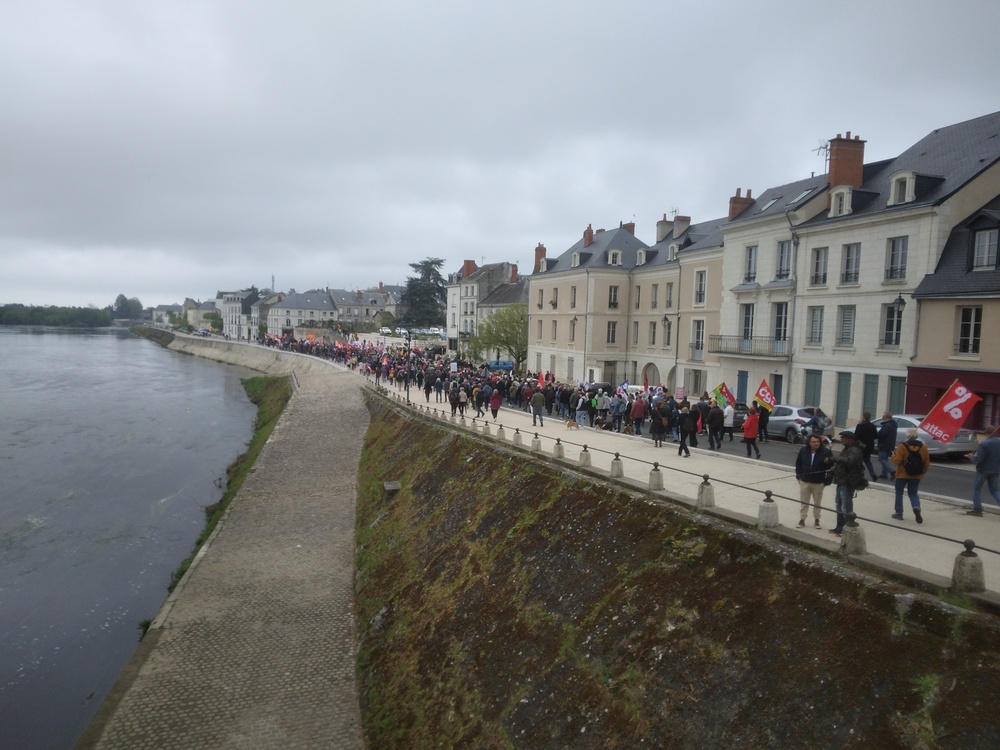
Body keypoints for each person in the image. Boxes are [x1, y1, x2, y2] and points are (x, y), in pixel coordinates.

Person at [830, 430, 866, 536]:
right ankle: (839, 527)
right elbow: (843, 462)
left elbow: (849, 461)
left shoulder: (855, 450)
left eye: (843, 438)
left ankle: (847, 529)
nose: (841, 440)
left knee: (846, 507)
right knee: (839, 505)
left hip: (848, 482)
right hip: (841, 481)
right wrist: (835, 467)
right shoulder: (846, 449)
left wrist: (834, 459)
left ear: (850, 439)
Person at [891, 428, 930, 524]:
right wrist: (923, 472)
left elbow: (898, 461)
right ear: (917, 436)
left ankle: (899, 513)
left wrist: (893, 456)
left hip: (902, 474)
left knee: (899, 492)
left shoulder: (902, 446)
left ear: (907, 436)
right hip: (916, 475)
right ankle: (916, 507)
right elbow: (926, 462)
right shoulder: (923, 447)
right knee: (913, 493)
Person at [795, 434, 833, 528]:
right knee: (804, 502)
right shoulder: (803, 450)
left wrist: (827, 481)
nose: (816, 443)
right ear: (809, 443)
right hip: (805, 481)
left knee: (817, 503)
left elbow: (832, 468)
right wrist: (799, 477)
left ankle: (817, 520)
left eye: (818, 441)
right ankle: (802, 519)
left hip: (819, 482)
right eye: (814, 442)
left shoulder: (826, 452)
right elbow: (798, 464)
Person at [968, 425, 1000, 516]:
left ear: (985, 433)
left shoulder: (984, 444)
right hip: (996, 469)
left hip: (983, 470)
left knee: (977, 489)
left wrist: (971, 457)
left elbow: (979, 459)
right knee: (995, 490)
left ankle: (977, 509)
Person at [854, 412, 880, 483]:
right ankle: (873, 474)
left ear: (864, 417)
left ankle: (860, 475)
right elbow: (876, 436)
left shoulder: (860, 426)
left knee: (859, 461)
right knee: (867, 461)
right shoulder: (872, 426)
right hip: (869, 446)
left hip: (861, 446)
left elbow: (856, 436)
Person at [876, 412, 898, 480]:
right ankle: (884, 474)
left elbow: (881, 434)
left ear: (887, 417)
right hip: (890, 445)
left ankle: (892, 471)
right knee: (885, 459)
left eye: (883, 416)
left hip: (884, 444)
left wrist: (877, 434)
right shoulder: (893, 425)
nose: (882, 418)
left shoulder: (887, 425)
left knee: (881, 459)